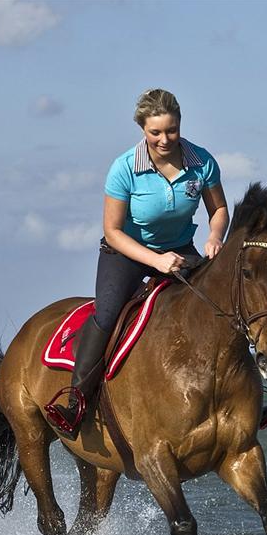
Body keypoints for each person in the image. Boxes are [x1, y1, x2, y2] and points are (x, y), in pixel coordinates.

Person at [44, 89, 229, 440]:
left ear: (179, 124)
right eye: (155, 132)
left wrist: (215, 236)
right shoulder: (124, 168)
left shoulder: (202, 162)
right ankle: (76, 401)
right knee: (108, 313)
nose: (164, 139)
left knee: (216, 305)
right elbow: (112, 232)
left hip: (180, 251)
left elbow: (218, 210)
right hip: (125, 253)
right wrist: (156, 260)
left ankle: (243, 392)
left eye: (171, 130)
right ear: (142, 129)